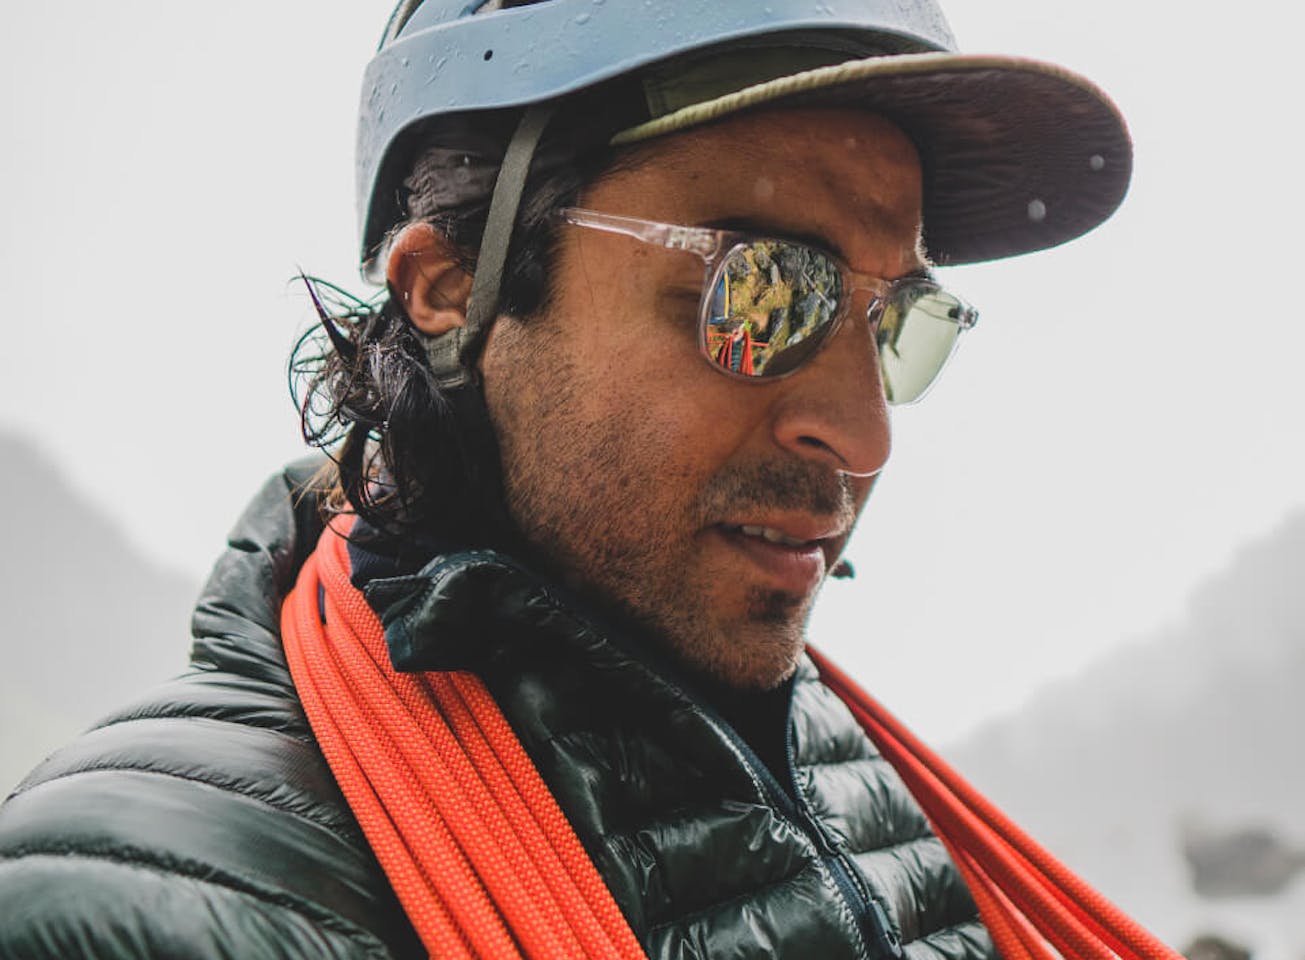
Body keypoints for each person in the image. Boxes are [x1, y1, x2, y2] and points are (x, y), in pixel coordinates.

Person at [0, 0, 1134, 957]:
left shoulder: (859, 793)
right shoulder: (154, 907)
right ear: (448, 285)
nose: (862, 433)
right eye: (763, 291)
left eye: (898, 319)